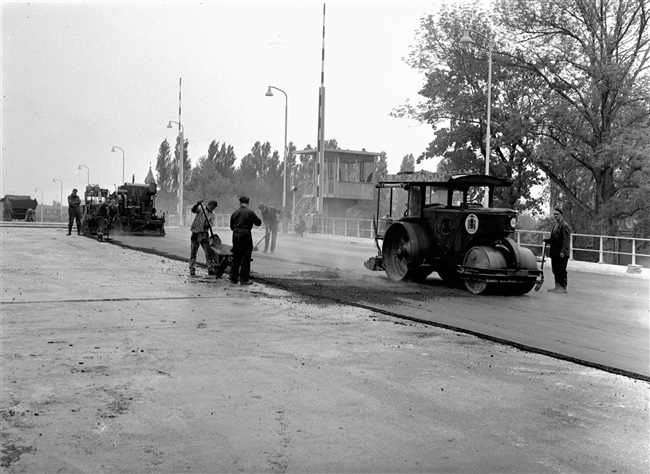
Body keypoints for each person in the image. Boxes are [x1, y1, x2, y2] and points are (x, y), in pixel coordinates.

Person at [230, 196, 262, 285]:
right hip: (245, 234)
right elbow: (258, 223)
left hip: (235, 235)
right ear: (248, 203)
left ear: (240, 203)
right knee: (245, 257)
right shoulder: (250, 212)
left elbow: (231, 226)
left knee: (236, 256)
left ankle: (233, 277)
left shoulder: (234, 213)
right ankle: (244, 279)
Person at [544, 207, 572, 294]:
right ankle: (557, 286)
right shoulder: (555, 224)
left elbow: (566, 240)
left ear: (561, 214)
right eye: (554, 214)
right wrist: (548, 240)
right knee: (555, 269)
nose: (555, 216)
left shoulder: (565, 226)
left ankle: (563, 287)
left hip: (561, 253)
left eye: (557, 214)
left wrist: (563, 251)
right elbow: (555, 237)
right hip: (555, 252)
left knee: (561, 270)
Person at [189, 199, 219, 276]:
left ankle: (210, 268)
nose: (213, 208)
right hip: (196, 233)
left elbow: (211, 224)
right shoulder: (200, 209)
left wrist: (208, 225)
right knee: (193, 252)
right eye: (212, 206)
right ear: (209, 204)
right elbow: (193, 210)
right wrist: (197, 204)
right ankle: (192, 268)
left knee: (208, 252)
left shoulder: (212, 215)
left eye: (214, 207)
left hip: (205, 234)